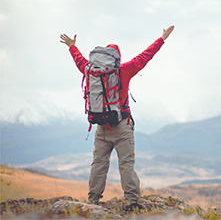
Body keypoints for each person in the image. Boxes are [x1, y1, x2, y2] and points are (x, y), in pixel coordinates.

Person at [60, 26, 174, 210]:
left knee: (98, 164)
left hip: (101, 127)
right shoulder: (124, 70)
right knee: (126, 165)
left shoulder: (91, 72)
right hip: (122, 126)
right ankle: (132, 202)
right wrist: (162, 39)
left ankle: (93, 201)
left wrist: (72, 46)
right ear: (116, 58)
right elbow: (145, 56)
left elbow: (79, 61)